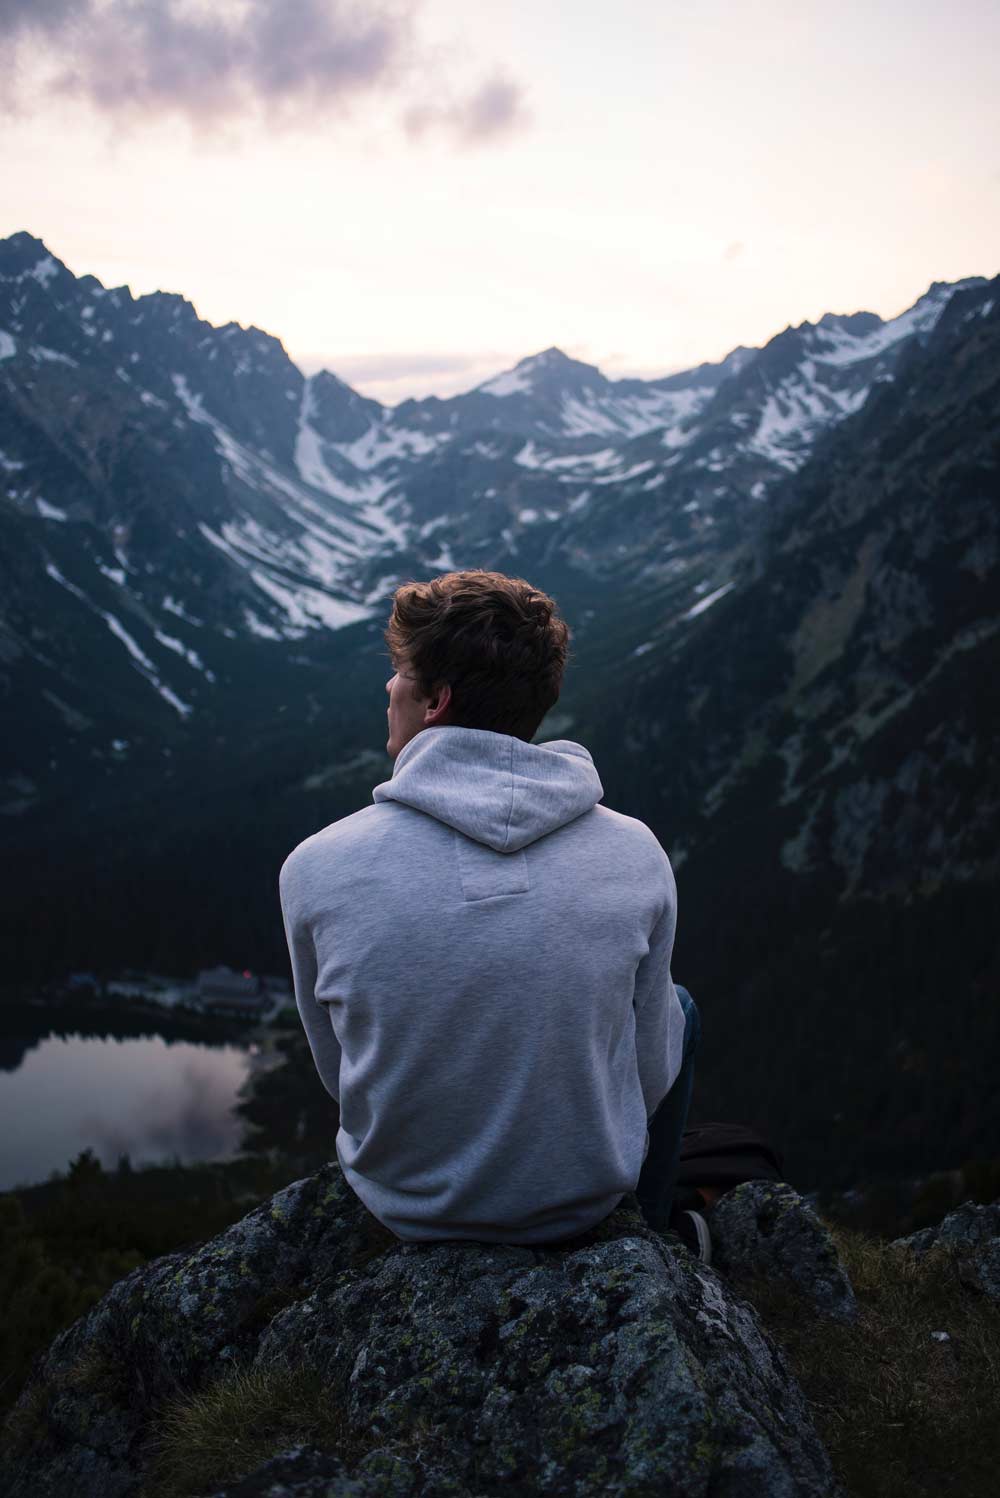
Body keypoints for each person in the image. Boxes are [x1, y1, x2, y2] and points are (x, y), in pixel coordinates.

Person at [278, 569, 708, 1257]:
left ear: (436, 701)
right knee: (678, 1007)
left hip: (407, 1209)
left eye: (400, 672)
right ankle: (651, 1238)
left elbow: (343, 1072)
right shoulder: (635, 851)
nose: (389, 688)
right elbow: (650, 1077)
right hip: (583, 1204)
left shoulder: (315, 866)